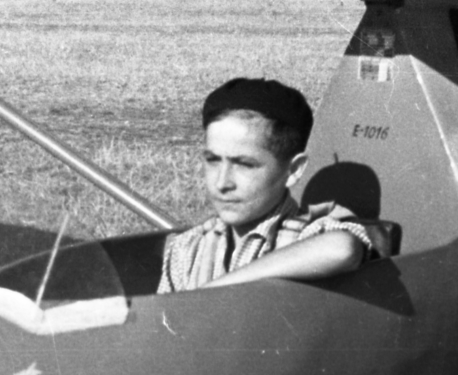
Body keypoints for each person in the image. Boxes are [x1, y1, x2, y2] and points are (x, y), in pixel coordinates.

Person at [158, 78, 373, 294]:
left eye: (244, 165)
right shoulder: (188, 249)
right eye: (213, 160)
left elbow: (342, 249)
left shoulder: (309, 235)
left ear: (293, 170)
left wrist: (214, 292)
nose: (222, 183)